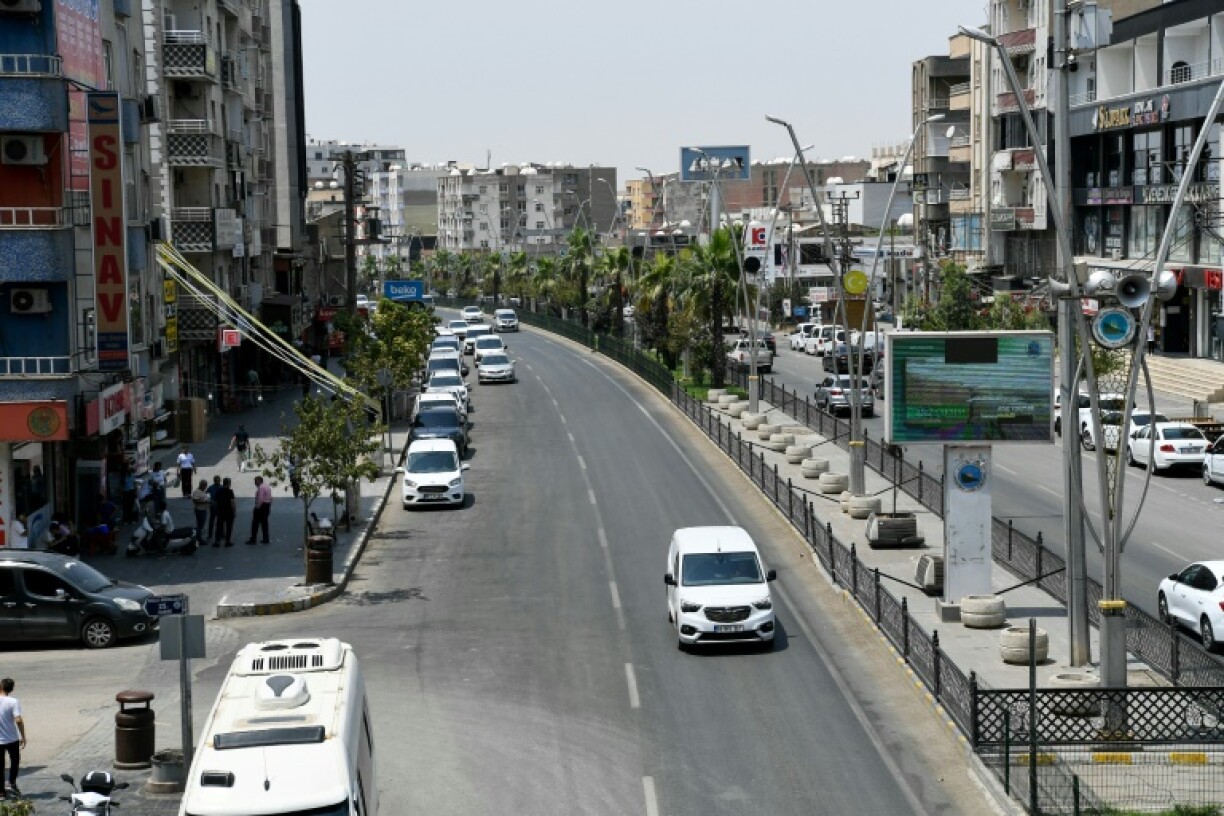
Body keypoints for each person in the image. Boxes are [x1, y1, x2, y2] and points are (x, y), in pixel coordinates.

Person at [0, 678, 25, 800]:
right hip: (12, 738)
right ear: (11, 689)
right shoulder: (13, 701)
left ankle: (1, 792)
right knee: (14, 762)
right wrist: (23, 736)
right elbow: (18, 719)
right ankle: (12, 783)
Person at [246, 475, 272, 545]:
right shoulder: (267, 487)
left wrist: (257, 508)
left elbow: (260, 499)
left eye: (255, 481)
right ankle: (266, 538)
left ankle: (253, 539)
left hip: (261, 507)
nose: (255, 483)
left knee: (255, 523)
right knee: (264, 523)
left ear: (259, 481)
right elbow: (270, 497)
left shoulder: (261, 488)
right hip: (267, 505)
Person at [213, 477, 236, 547]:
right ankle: (227, 541)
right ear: (229, 483)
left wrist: (216, 509)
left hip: (220, 511)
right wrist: (234, 511)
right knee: (229, 527)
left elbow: (215, 502)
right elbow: (232, 502)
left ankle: (217, 541)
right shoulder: (230, 491)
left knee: (219, 527)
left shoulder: (218, 491)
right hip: (229, 512)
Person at [206, 475, 223, 541]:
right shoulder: (219, 487)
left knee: (216, 521)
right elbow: (207, 496)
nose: (217, 481)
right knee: (214, 521)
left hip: (218, 506)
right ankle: (212, 534)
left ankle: (219, 533)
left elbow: (207, 496)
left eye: (218, 480)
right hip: (215, 506)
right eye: (216, 480)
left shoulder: (212, 487)